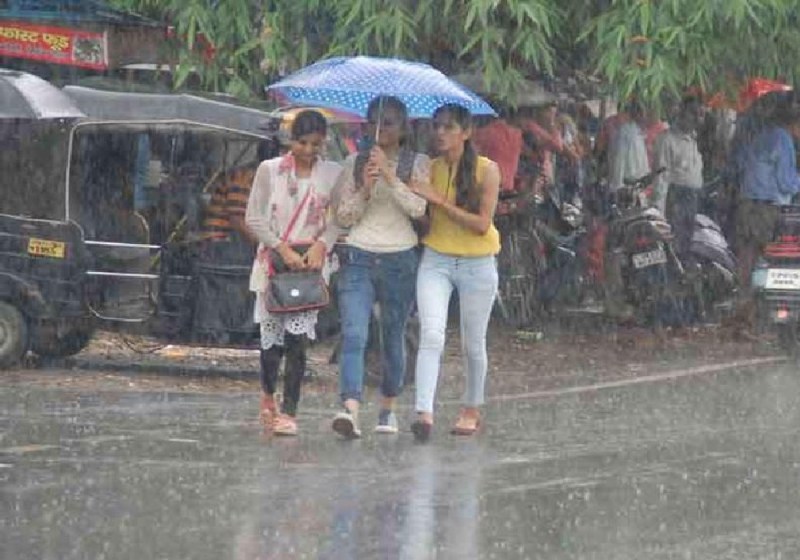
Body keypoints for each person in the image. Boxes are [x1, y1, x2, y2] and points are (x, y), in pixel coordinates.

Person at [331, 96, 429, 438]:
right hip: (359, 255)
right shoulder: (354, 162)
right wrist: (365, 188)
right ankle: (350, 408)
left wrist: (390, 177)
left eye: (388, 122)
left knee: (393, 335)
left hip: (400, 258)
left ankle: (388, 407)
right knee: (354, 333)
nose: (381, 128)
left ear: (403, 128)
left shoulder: (418, 164)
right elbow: (342, 216)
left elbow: (419, 209)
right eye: (374, 120)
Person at [407, 103, 502, 441]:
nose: (441, 133)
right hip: (437, 260)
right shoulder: (429, 168)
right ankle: (424, 411)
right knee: (431, 334)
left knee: (472, 342)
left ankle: (471, 408)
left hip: (478, 262)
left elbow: (481, 225)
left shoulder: (486, 170)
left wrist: (439, 200)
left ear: (466, 132)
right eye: (437, 126)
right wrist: (412, 198)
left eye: (449, 127)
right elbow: (425, 219)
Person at [245, 110, 343, 436]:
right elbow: (254, 217)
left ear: (324, 142)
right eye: (302, 143)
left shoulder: (332, 174)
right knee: (271, 339)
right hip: (274, 262)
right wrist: (281, 248)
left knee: (298, 339)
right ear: (291, 140)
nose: (308, 150)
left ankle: (290, 410)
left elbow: (341, 217)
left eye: (315, 144)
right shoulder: (269, 171)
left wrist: (322, 245)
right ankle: (268, 395)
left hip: (310, 265)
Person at [735, 107, 800, 298]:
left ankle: (744, 298)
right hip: (766, 207)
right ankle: (762, 301)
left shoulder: (759, 135)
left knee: (748, 253)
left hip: (747, 202)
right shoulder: (783, 139)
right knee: (768, 254)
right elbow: (786, 182)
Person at [651, 96, 705, 260]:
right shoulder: (667, 139)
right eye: (693, 113)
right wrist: (659, 211)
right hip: (676, 198)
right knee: (675, 245)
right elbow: (661, 177)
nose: (697, 118)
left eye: (700, 114)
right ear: (682, 113)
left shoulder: (694, 139)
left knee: (689, 243)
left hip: (693, 198)